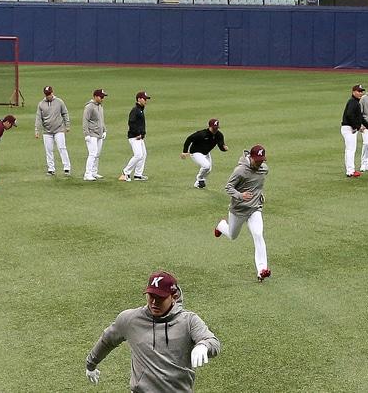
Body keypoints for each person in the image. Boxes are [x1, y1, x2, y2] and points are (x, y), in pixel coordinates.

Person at [84, 271, 221, 391]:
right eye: (151, 296)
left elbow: (213, 342)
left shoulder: (189, 321)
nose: (154, 302)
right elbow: (107, 340)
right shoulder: (130, 319)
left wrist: (204, 345)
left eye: (160, 298)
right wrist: (91, 364)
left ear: (174, 296)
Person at [213, 145, 270, 281]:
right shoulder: (240, 171)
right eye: (257, 160)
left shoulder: (264, 169)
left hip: (255, 209)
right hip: (238, 210)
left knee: (258, 235)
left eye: (262, 160)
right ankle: (221, 226)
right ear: (251, 157)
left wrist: (259, 195)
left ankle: (262, 269)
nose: (260, 163)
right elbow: (228, 187)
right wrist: (240, 195)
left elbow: (257, 185)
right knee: (232, 235)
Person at [35, 85, 72, 176]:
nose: (48, 96)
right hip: (47, 131)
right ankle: (51, 169)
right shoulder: (41, 104)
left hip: (59, 129)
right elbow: (38, 118)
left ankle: (67, 167)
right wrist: (37, 130)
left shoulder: (59, 102)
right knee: (49, 150)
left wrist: (67, 125)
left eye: (49, 94)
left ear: (52, 93)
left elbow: (65, 113)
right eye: (46, 94)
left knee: (62, 148)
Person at [183, 118, 228, 189]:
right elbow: (189, 139)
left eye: (216, 128)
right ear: (209, 126)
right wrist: (185, 152)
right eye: (214, 128)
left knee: (208, 169)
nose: (215, 130)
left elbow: (221, 146)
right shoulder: (201, 134)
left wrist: (224, 148)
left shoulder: (219, 135)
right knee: (206, 166)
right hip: (195, 152)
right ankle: (200, 179)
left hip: (206, 153)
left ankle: (198, 184)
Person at [340, 84, 368, 178]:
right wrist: (357, 127)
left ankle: (350, 170)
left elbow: (359, 117)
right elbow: (349, 115)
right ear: (353, 92)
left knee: (349, 149)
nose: (360, 93)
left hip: (349, 128)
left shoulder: (356, 102)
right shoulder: (353, 102)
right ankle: (350, 171)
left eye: (362, 91)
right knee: (350, 149)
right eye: (359, 91)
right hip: (348, 128)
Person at [120, 92, 150, 182]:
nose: (146, 101)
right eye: (144, 99)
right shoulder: (135, 110)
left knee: (143, 155)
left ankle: (138, 175)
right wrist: (137, 133)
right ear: (139, 99)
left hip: (139, 137)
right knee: (138, 155)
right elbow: (131, 123)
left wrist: (142, 134)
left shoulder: (140, 109)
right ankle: (125, 172)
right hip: (134, 137)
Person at [82, 89, 107, 181]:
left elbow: (101, 120)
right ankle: (87, 174)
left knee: (97, 154)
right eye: (101, 97)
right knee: (92, 153)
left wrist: (104, 130)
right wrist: (86, 134)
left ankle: (94, 172)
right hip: (92, 134)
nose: (102, 99)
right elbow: (85, 121)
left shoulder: (100, 106)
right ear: (95, 97)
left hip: (99, 134)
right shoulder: (89, 107)